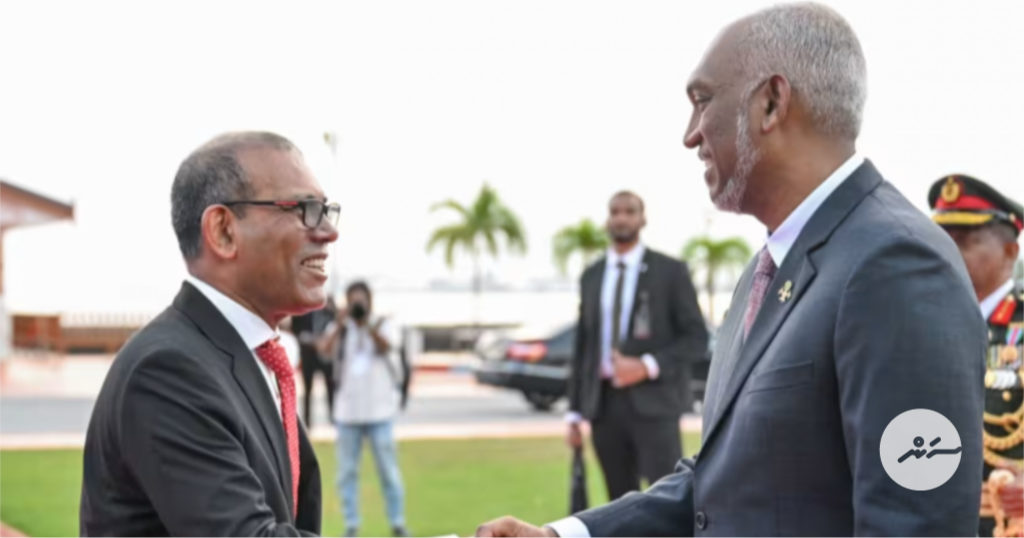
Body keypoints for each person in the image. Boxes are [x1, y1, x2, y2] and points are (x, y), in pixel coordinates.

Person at [475, 3, 985, 537]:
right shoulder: (768, 271)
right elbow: (721, 484)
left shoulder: (895, 265)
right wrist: (562, 535)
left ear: (772, 102)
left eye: (702, 101)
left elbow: (914, 527)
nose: (691, 135)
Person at [80, 131, 340, 537]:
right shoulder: (169, 370)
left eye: (325, 210)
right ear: (222, 231)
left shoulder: (244, 355)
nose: (327, 232)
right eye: (304, 209)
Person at [565, 190, 708, 502]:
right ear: (607, 220)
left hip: (655, 405)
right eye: (615, 211)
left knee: (667, 500)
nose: (621, 218)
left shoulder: (670, 271)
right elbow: (584, 347)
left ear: (643, 219)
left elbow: (697, 338)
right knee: (618, 504)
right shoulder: (592, 276)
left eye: (629, 211)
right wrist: (574, 413)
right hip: (603, 407)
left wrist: (647, 366)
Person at [927, 174, 1024, 537]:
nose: (947, 251)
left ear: (1010, 252)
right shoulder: (918, 321)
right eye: (941, 239)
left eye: (964, 241)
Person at [319, 281, 409, 538]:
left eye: (361, 300)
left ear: (370, 301)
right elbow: (324, 351)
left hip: (380, 411)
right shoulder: (341, 327)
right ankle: (351, 525)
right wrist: (340, 323)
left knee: (388, 470)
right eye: (353, 301)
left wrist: (367, 325)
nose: (357, 305)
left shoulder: (382, 324)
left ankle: (397, 522)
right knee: (346, 473)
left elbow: (387, 346)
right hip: (348, 412)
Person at [293, 297, 338, 426]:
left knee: (330, 388)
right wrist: (313, 341)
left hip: (326, 356)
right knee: (308, 389)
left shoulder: (329, 311)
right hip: (309, 356)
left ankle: (333, 419)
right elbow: (297, 331)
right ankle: (307, 421)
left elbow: (336, 325)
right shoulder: (302, 312)